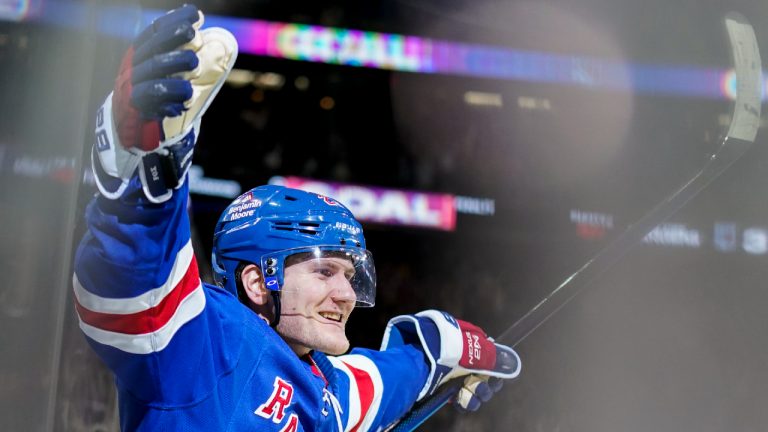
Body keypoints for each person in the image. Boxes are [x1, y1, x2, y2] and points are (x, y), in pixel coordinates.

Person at [73, 5, 521, 431]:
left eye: (350, 275)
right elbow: (133, 278)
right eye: (325, 270)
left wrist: (444, 349)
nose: (346, 294)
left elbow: (384, 381)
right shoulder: (209, 341)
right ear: (255, 281)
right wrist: (138, 175)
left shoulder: (324, 384)